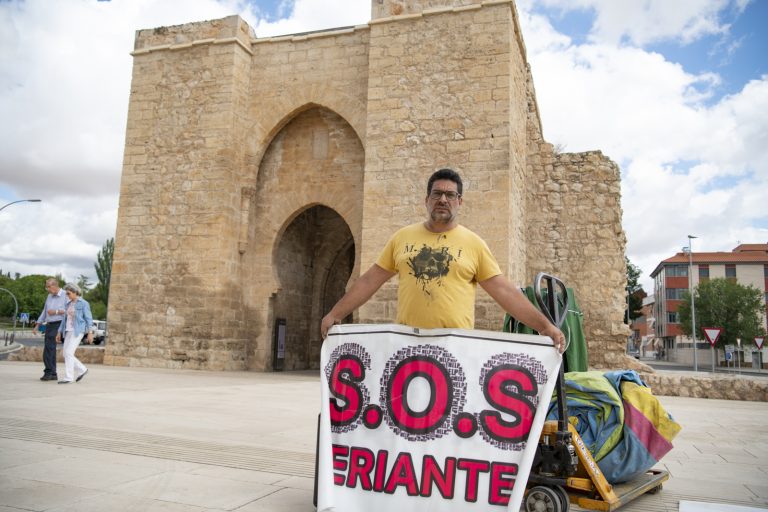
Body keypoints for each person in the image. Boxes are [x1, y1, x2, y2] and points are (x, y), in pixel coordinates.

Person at [321, 168, 566, 351]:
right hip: (407, 345)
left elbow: (504, 291)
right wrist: (336, 312)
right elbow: (369, 280)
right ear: (426, 200)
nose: (443, 199)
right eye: (437, 193)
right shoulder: (401, 238)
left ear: (460, 202)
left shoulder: (474, 244)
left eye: (450, 195)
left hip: (455, 347)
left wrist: (543, 326)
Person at [55, 283, 93, 384]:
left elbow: (89, 319)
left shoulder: (84, 303)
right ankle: (82, 369)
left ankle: (69, 377)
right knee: (65, 353)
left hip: (78, 331)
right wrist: (59, 332)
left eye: (69, 293)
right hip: (68, 331)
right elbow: (64, 320)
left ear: (75, 292)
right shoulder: (68, 304)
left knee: (68, 353)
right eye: (66, 294)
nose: (67, 296)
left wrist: (90, 333)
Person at [33, 278, 67, 381]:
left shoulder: (66, 295)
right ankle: (52, 373)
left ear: (55, 285)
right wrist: (37, 325)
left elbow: (70, 310)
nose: (47, 289)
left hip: (59, 324)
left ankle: (49, 372)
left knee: (49, 348)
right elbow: (45, 311)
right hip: (49, 324)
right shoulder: (49, 296)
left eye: (48, 287)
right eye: (46, 287)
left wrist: (56, 312)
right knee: (49, 348)